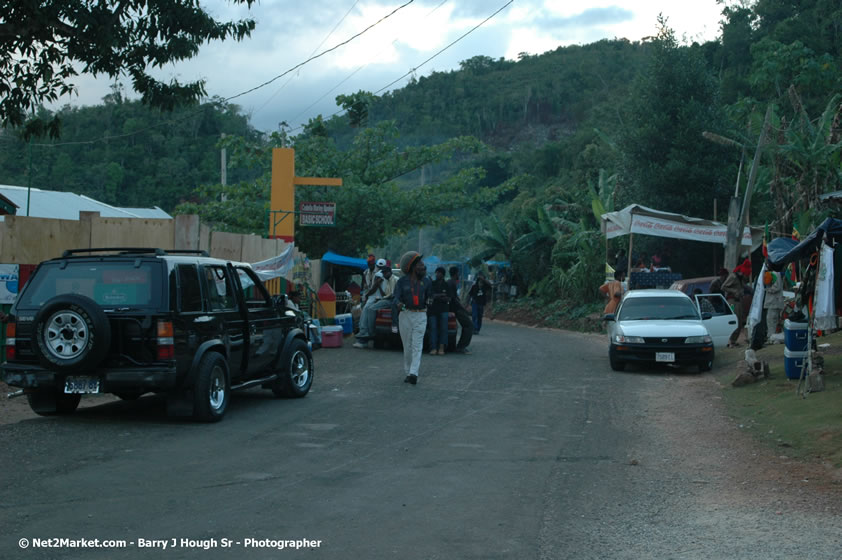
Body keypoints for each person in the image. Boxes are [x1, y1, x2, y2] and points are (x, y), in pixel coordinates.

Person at [392, 251, 432, 385]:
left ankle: (414, 373)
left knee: (417, 345)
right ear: (413, 266)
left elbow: (430, 297)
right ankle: (408, 371)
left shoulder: (427, 282)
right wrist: (398, 303)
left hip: (421, 315)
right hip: (405, 315)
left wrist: (430, 302)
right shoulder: (401, 282)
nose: (423, 267)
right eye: (420, 264)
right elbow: (396, 297)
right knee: (407, 347)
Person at [353, 258, 397, 348]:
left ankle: (368, 333)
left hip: (384, 299)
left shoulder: (385, 276)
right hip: (380, 298)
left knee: (367, 310)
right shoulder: (371, 273)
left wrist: (368, 294)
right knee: (365, 311)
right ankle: (365, 333)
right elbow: (380, 291)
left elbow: (382, 292)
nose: (382, 272)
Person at [723, 258, 752, 347]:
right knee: (734, 321)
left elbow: (744, 287)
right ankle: (731, 341)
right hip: (732, 302)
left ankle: (734, 341)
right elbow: (723, 287)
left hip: (738, 301)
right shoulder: (733, 277)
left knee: (740, 322)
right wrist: (734, 291)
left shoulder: (740, 279)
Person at [448, 266, 472, 354]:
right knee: (469, 325)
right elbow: (454, 299)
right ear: (456, 273)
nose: (459, 275)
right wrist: (463, 308)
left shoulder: (451, 282)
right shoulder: (452, 283)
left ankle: (461, 346)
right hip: (456, 309)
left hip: (455, 308)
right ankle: (461, 346)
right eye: (458, 273)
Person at [427, 266, 450, 355]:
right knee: (433, 328)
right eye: (436, 272)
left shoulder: (446, 285)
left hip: (444, 309)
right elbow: (431, 296)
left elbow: (448, 298)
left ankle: (441, 347)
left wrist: (437, 296)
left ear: (443, 275)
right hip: (432, 310)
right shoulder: (432, 284)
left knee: (444, 328)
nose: (437, 274)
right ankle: (433, 348)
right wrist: (441, 295)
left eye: (439, 273)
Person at [763, 270, 784, 343]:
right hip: (775, 302)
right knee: (774, 321)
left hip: (774, 302)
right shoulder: (775, 273)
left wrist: (767, 290)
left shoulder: (774, 273)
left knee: (771, 321)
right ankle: (774, 338)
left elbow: (776, 287)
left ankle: (771, 338)